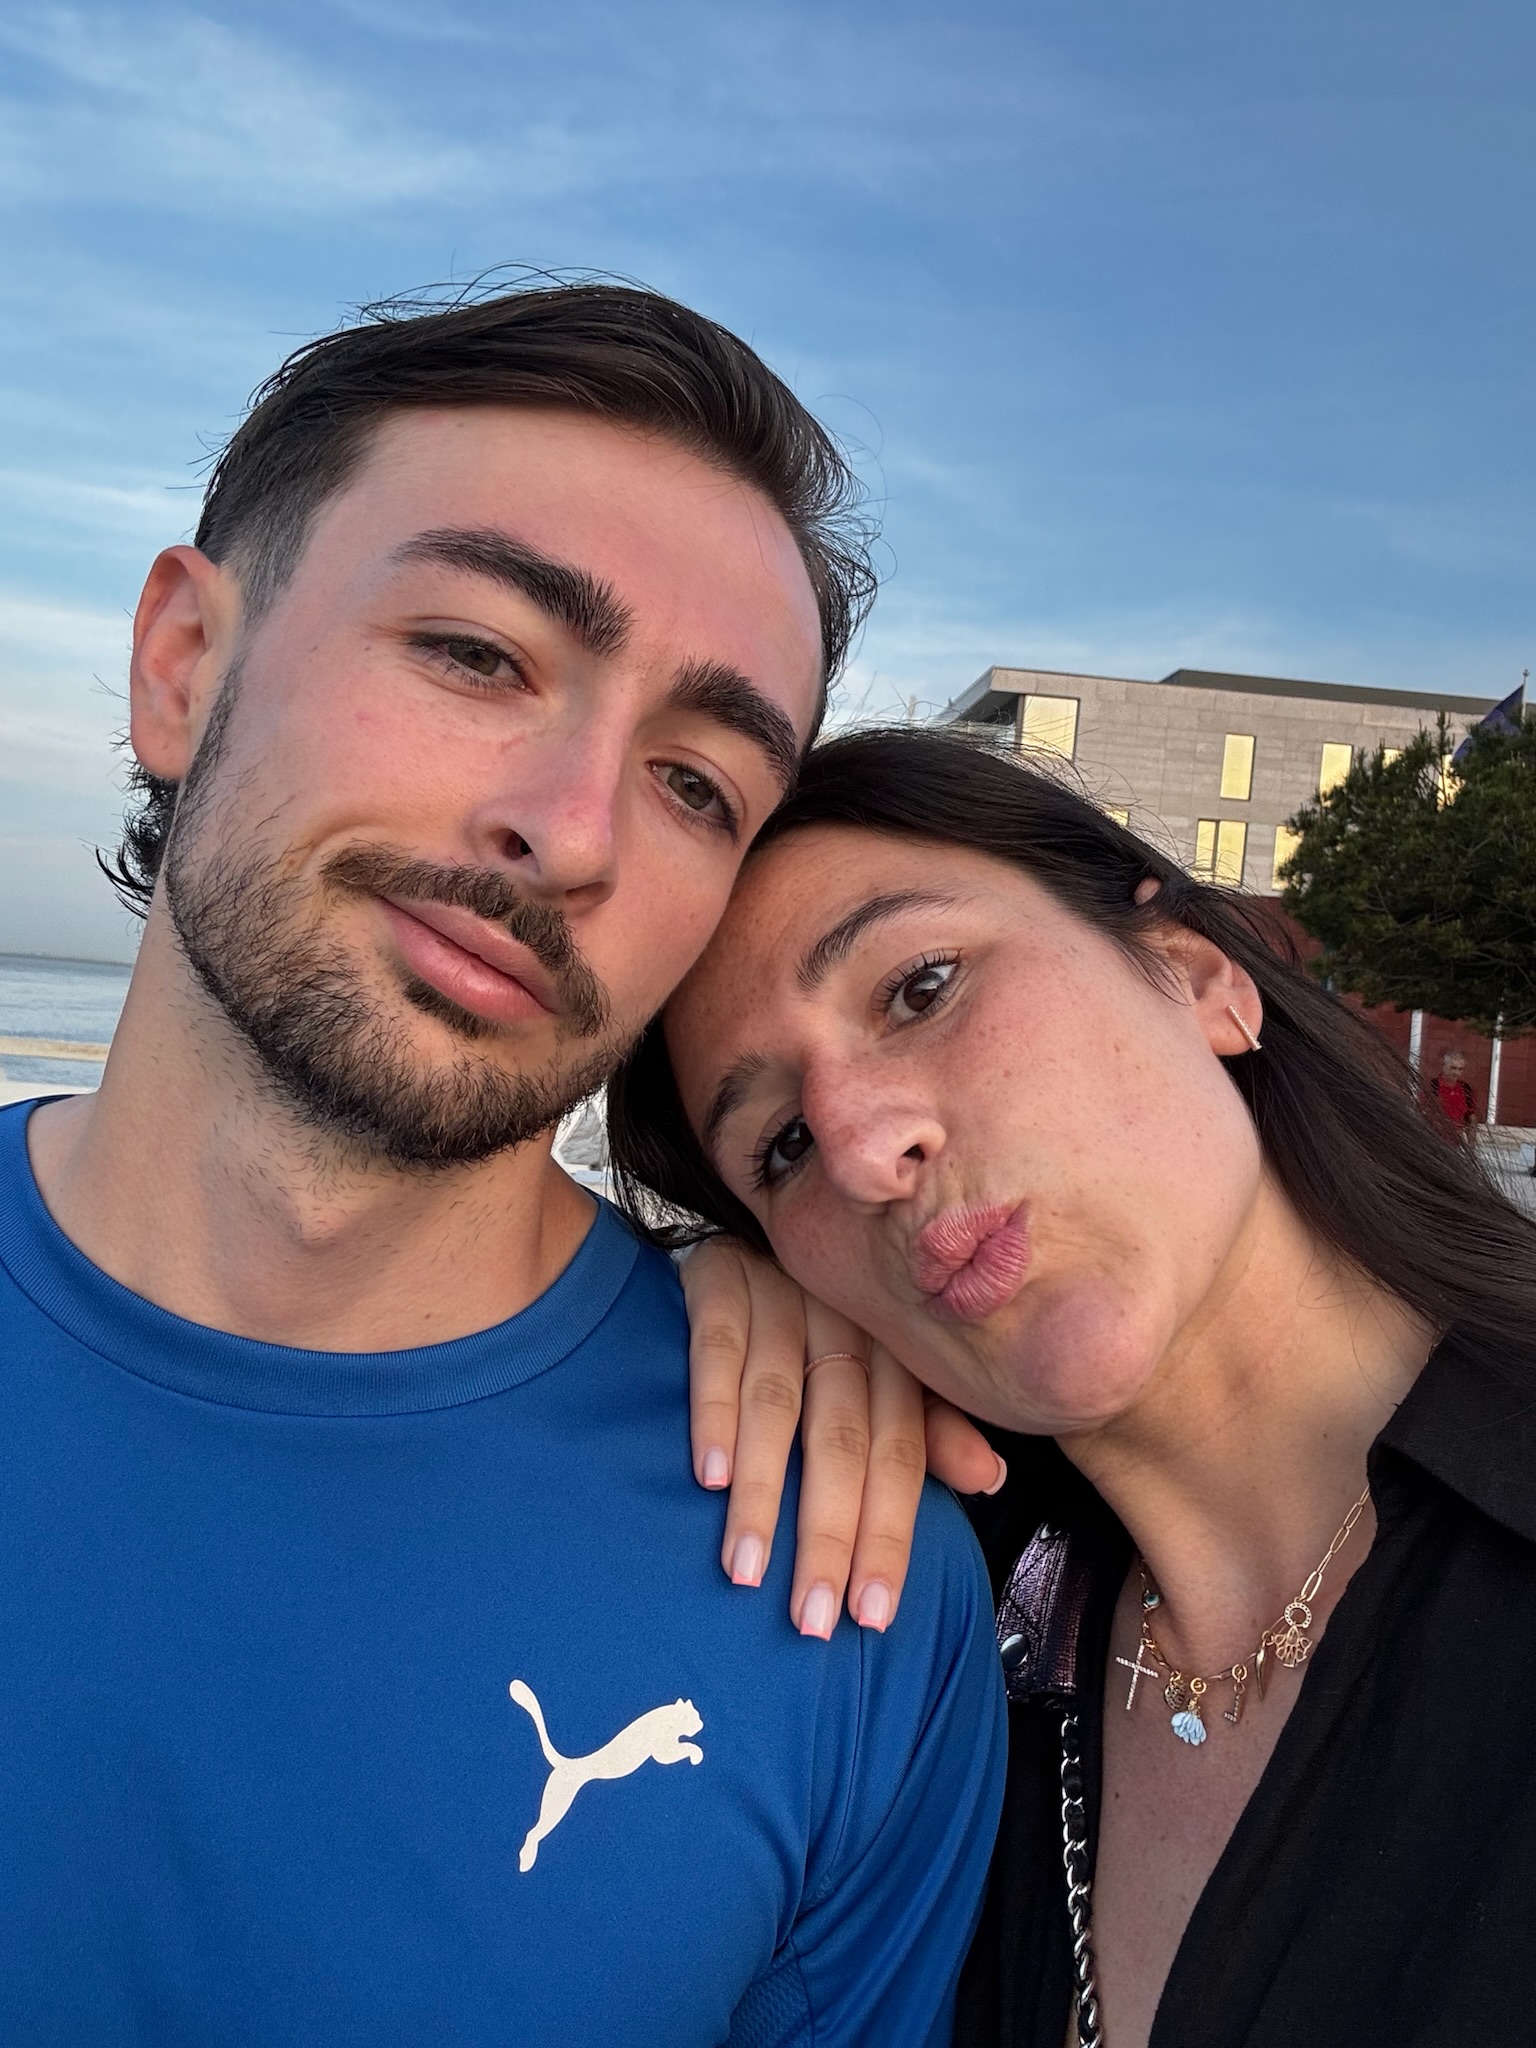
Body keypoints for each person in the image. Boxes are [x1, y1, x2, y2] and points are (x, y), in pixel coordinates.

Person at [0, 288, 1006, 2046]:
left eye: (696, 782)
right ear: (183, 665)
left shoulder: (841, 1573)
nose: (575, 829)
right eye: (476, 655)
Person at [608, 723, 1536, 2048]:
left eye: (920, 987)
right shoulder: (907, 1655)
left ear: (1198, 974)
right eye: (784, 1146)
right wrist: (677, 1301)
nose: (865, 1151)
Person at [1428, 1047, 1478, 1143]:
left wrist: (1471, 1146)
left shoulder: (1465, 1088)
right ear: (1444, 1066)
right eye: (1453, 1068)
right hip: (1434, 1140)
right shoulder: (1433, 1086)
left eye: (1460, 1069)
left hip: (1456, 1142)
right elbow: (1423, 1111)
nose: (1456, 1073)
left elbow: (1471, 1118)